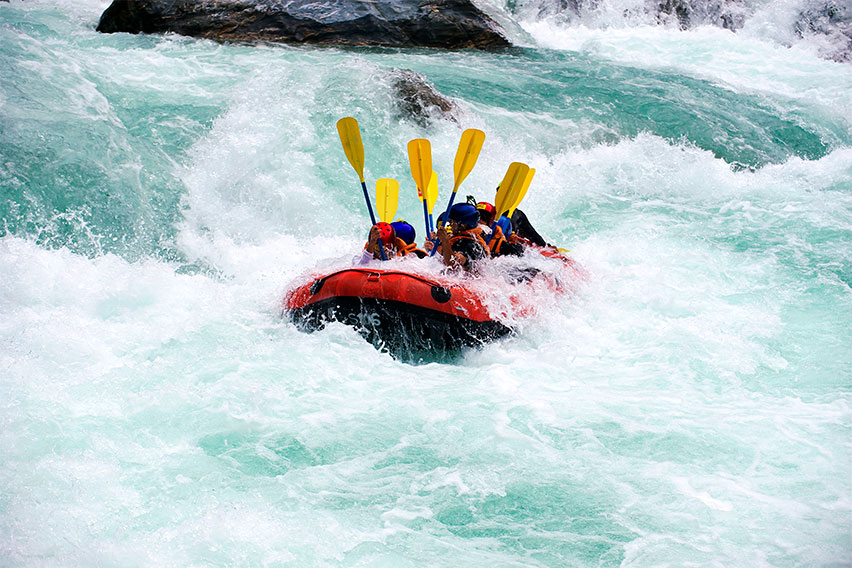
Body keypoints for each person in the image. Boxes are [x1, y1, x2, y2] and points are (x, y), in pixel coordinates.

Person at [425, 203, 488, 271]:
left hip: (468, 280)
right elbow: (444, 257)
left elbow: (452, 264)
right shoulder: (459, 237)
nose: (450, 224)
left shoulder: (472, 245)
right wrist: (434, 247)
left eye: (452, 221)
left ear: (463, 225)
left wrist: (445, 241)